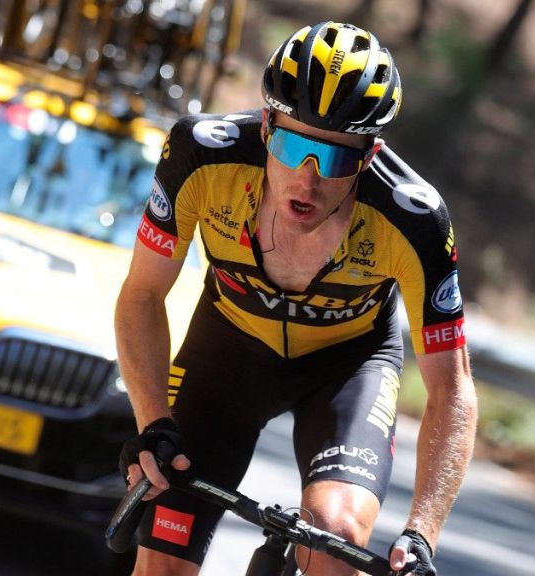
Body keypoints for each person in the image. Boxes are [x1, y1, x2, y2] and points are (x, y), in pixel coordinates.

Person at [115, 20, 478, 576]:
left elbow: (452, 392)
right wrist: (153, 424)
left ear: (369, 155)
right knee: (163, 548)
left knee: (335, 537)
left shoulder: (414, 218)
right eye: (292, 145)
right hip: (226, 353)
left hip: (347, 368)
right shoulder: (201, 155)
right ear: (266, 126)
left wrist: (421, 534)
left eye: (335, 159)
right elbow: (142, 295)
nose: (307, 180)